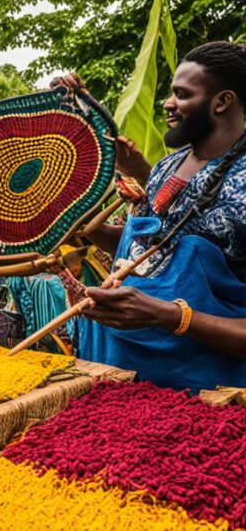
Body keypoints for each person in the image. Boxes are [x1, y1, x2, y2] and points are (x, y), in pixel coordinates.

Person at [65, 41, 246, 392]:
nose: (168, 103)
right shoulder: (167, 167)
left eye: (182, 94)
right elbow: (151, 245)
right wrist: (84, 226)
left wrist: (167, 315)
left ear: (222, 101)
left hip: (204, 393)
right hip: (119, 367)